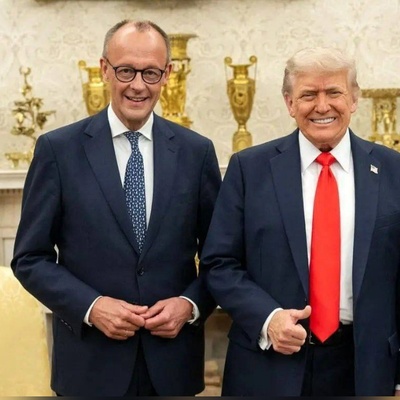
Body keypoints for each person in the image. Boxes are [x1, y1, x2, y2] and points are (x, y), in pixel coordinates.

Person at [11, 19, 221, 396]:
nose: (138, 85)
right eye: (126, 70)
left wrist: (189, 305)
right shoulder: (58, 151)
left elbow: (221, 258)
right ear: (104, 69)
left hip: (172, 366)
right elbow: (30, 258)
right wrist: (91, 306)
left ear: (167, 74)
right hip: (89, 367)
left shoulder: (197, 152)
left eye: (150, 72)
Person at [201, 46, 400, 396]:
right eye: (309, 95)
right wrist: (268, 319)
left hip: (364, 368)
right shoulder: (249, 169)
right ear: (290, 103)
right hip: (267, 365)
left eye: (334, 92)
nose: (322, 106)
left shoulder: (392, 170)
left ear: (354, 99)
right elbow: (219, 264)